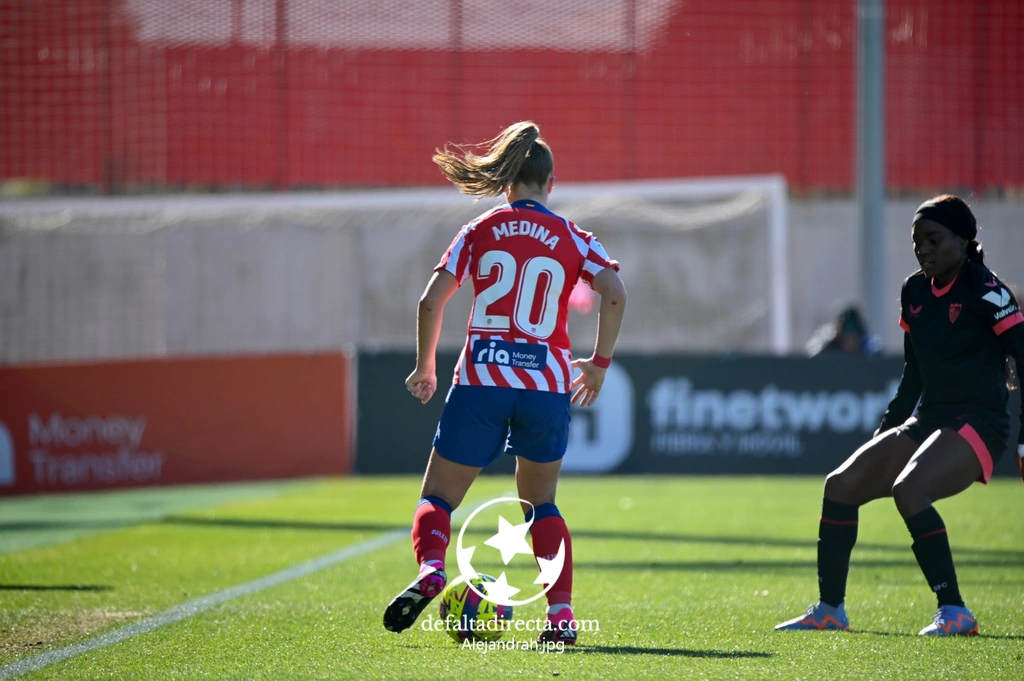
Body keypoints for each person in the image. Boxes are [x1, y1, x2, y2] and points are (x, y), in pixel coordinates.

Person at [382, 121, 627, 645]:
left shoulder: (480, 230)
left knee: (439, 498)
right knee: (541, 505)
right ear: (551, 183)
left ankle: (431, 571)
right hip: (544, 385)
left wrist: (425, 366)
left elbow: (431, 300)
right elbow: (614, 291)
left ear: (507, 181)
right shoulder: (574, 238)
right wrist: (600, 363)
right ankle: (560, 618)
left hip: (481, 382)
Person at [776, 194, 1024, 636]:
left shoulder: (987, 292)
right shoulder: (914, 291)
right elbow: (914, 374)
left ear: (964, 241)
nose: (923, 249)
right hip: (930, 417)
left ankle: (955, 612)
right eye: (917, 242)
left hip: (981, 422)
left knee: (910, 489)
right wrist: (886, 432)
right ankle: (830, 609)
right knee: (840, 484)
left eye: (933, 239)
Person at [805, 304, 879, 357]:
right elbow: (809, 354)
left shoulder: (867, 347)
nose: (851, 342)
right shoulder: (828, 341)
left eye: (854, 337)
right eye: (848, 337)